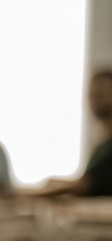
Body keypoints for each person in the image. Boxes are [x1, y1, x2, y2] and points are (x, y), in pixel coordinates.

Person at [38, 70, 112, 198]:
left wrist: (29, 194)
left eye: (102, 91)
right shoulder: (100, 146)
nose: (94, 97)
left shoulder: (108, 148)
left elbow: (85, 185)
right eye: (91, 92)